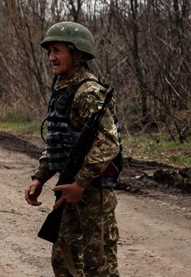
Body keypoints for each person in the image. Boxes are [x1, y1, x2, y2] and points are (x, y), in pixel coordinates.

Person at [25, 21, 122, 277]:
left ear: (77, 53)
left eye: (57, 51)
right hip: (69, 189)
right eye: (49, 51)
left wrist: (80, 184)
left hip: (93, 193)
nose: (51, 58)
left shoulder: (88, 93)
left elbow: (109, 142)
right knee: (63, 260)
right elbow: (58, 140)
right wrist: (40, 177)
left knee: (99, 268)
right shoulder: (63, 88)